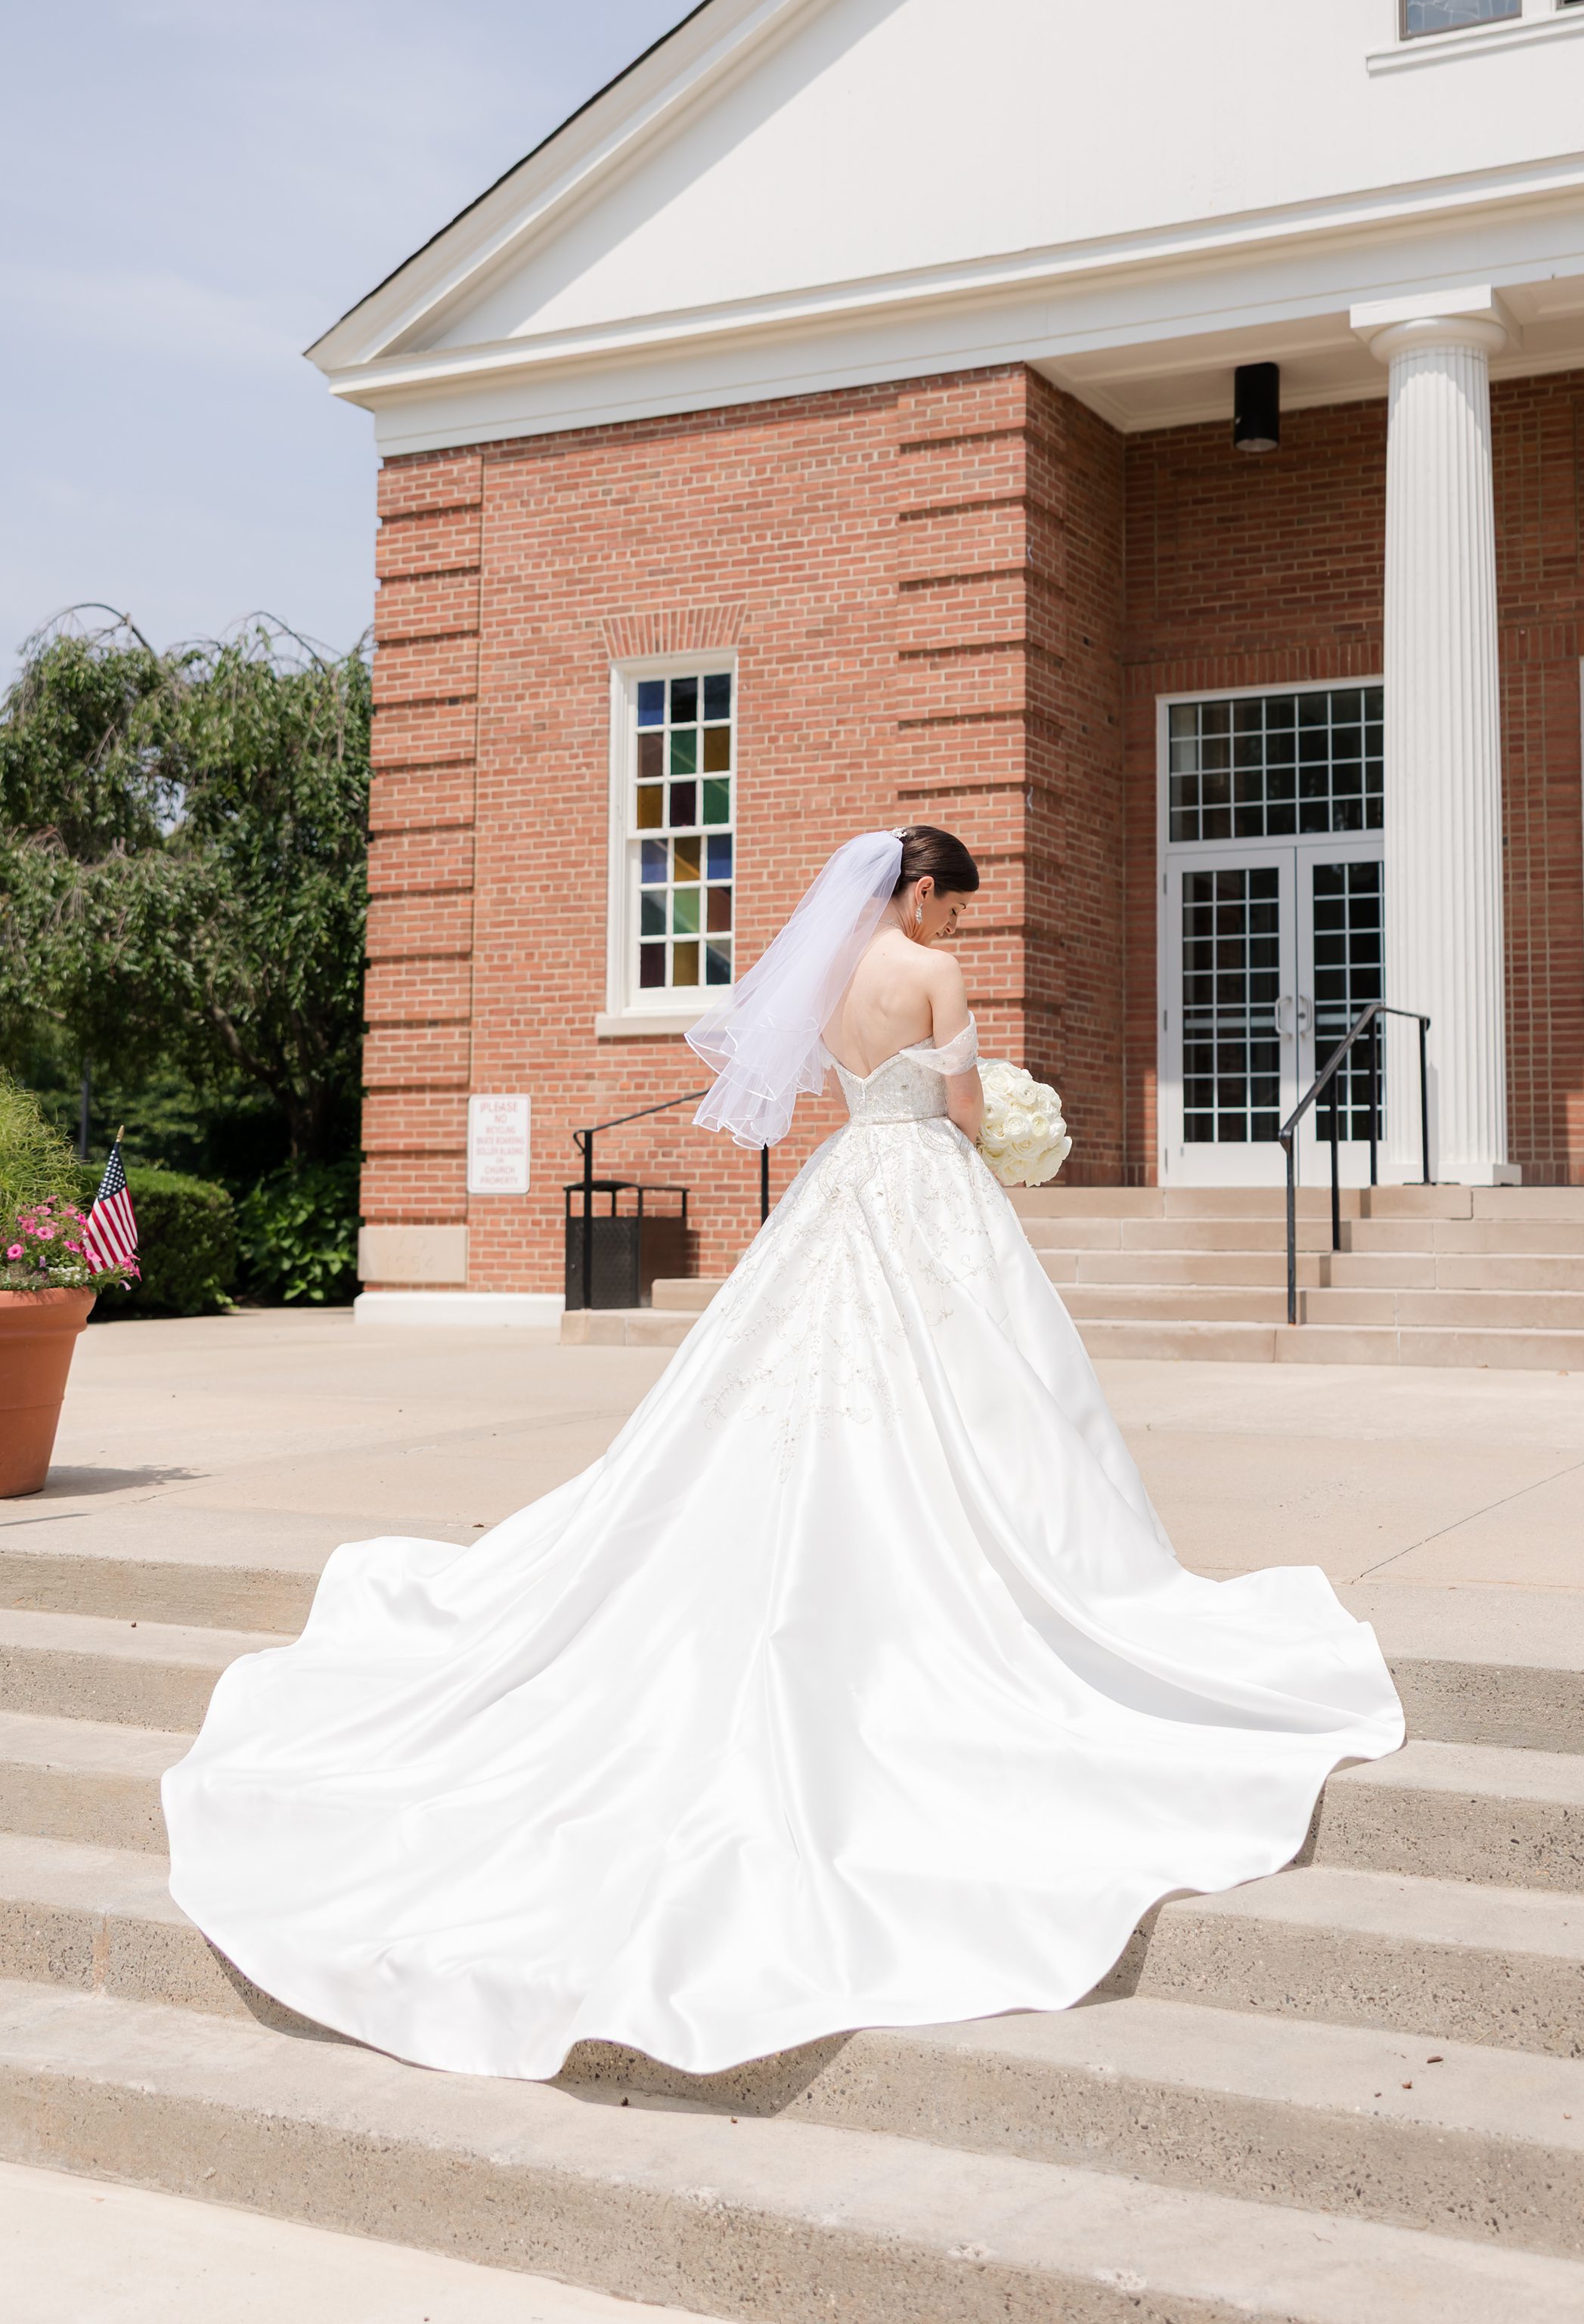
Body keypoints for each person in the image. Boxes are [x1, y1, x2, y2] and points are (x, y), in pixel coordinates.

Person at [163, 824, 1403, 2083]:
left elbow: (849, 1089)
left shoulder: (826, 978)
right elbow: (966, 1108)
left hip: (849, 1178)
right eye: (954, 907)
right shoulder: (930, 975)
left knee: (787, 1385)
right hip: (924, 1184)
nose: (957, 928)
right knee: (976, 1394)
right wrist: (1010, 1123)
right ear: (922, 893)